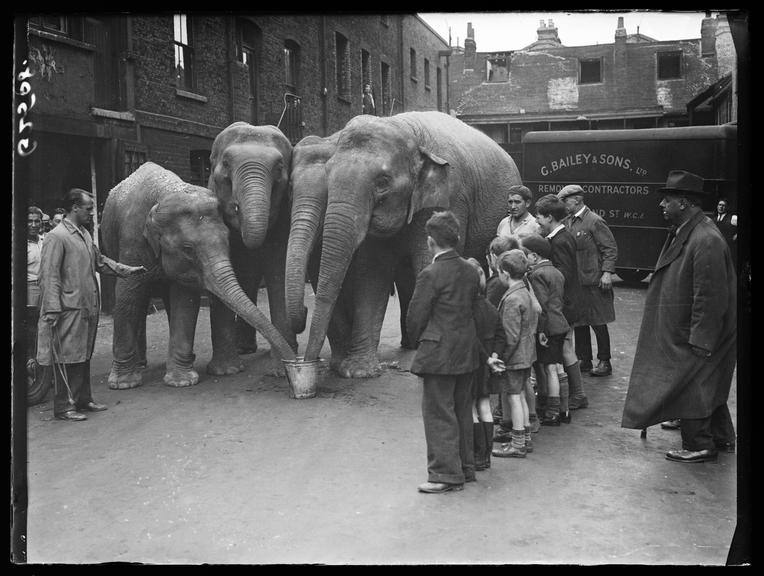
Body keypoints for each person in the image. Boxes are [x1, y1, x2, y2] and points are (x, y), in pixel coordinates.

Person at [622, 171, 736, 463]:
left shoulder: (705, 239)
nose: (661, 205)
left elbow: (710, 297)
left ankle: (699, 443)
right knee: (707, 381)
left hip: (698, 332)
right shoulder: (692, 231)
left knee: (694, 383)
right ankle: (721, 437)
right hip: (689, 329)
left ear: (684, 203)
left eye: (667, 200)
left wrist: (701, 338)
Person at [36, 188, 146, 421]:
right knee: (68, 357)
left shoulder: (83, 234)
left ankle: (83, 399)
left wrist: (127, 270)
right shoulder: (57, 237)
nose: (91, 213)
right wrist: (53, 310)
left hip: (86, 307)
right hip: (67, 309)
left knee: (83, 354)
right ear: (74, 208)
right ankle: (65, 407)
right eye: (88, 209)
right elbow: (49, 275)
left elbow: (100, 262)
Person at [407, 211, 481, 493]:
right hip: (467, 350)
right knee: (462, 410)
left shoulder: (430, 273)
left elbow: (415, 317)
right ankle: (465, 467)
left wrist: (419, 341)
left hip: (438, 353)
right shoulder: (470, 270)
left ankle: (444, 475)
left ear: (430, 242)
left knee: (438, 412)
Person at [535, 194, 588, 411]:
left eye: (539, 217)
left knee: (566, 347)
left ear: (549, 217)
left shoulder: (560, 241)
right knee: (566, 346)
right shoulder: (560, 237)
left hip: (564, 304)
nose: (537, 221)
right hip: (566, 303)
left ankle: (577, 394)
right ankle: (573, 394)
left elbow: (562, 275)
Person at [557, 184, 618, 377]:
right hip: (577, 282)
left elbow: (610, 249)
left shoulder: (594, 221)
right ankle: (584, 359)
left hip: (594, 280)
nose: (563, 205)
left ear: (577, 199)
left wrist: (607, 273)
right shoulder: (568, 221)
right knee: (580, 321)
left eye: (565, 201)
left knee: (598, 322)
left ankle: (604, 361)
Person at [491, 249, 538, 458]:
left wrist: (501, 359)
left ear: (505, 273)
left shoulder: (511, 299)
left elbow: (510, 336)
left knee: (514, 398)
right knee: (520, 396)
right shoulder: (525, 292)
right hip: (527, 355)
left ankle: (517, 443)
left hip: (515, 358)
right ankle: (525, 438)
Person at [521, 233, 570, 426]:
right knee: (557, 367)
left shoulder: (537, 275)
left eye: (526, 256)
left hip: (548, 327)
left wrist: (541, 330)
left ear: (534, 256)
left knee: (549, 369)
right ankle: (563, 410)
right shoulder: (556, 272)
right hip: (560, 323)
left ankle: (552, 412)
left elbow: (540, 306)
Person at [465, 257, 502, 471]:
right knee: (485, 406)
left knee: (470, 408)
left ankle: (476, 455)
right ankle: (486, 456)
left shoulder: (466, 309)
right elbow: (500, 334)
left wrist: (485, 357)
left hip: (473, 362)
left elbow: (471, 338)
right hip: (488, 364)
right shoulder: (489, 306)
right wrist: (494, 355)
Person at [713, 198, 737, 265]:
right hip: (717, 249)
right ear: (717, 206)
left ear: (727, 207)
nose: (721, 207)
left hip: (729, 249)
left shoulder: (733, 218)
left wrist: (736, 236)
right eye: (720, 205)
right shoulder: (714, 219)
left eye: (723, 205)